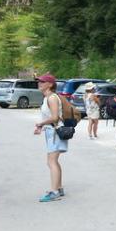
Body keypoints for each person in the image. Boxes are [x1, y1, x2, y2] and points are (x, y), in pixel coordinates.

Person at [34, 73, 69, 203]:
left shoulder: (52, 98)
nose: (39, 83)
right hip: (51, 131)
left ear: (50, 84)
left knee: (51, 161)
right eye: (39, 82)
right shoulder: (47, 97)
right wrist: (41, 127)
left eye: (42, 82)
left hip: (55, 132)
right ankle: (58, 188)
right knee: (54, 161)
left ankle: (54, 192)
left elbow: (54, 117)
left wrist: (40, 124)